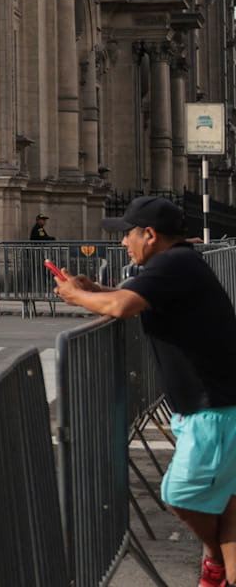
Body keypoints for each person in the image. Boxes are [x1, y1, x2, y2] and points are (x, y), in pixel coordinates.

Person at [54, 195, 236, 587]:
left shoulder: (173, 263)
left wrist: (75, 296)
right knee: (226, 507)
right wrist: (93, 289)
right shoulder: (178, 264)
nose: (123, 243)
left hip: (214, 409)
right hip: (211, 405)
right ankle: (219, 565)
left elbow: (123, 306)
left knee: (180, 495)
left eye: (127, 235)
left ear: (149, 235)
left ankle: (216, 560)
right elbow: (135, 299)